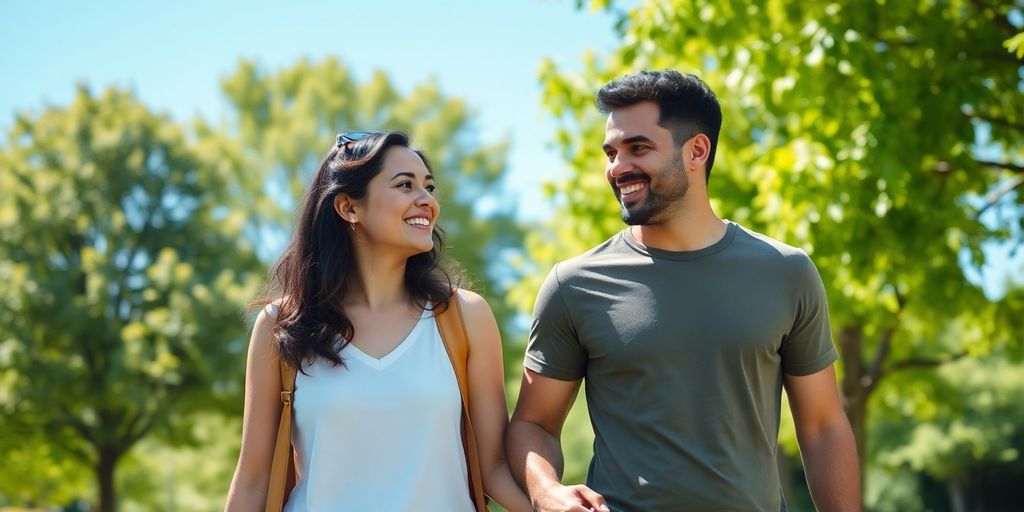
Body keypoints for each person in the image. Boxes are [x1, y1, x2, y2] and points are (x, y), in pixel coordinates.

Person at [506, 70, 861, 511]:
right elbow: (532, 423)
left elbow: (823, 425)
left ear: (697, 150)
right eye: (611, 152)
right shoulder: (573, 285)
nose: (617, 168)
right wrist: (545, 489)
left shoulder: (786, 272)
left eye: (638, 148)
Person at [226, 131, 531, 511]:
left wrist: (552, 504)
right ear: (349, 208)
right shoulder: (283, 325)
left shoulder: (465, 317)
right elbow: (254, 479)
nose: (427, 201)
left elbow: (494, 467)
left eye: (429, 187)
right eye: (405, 185)